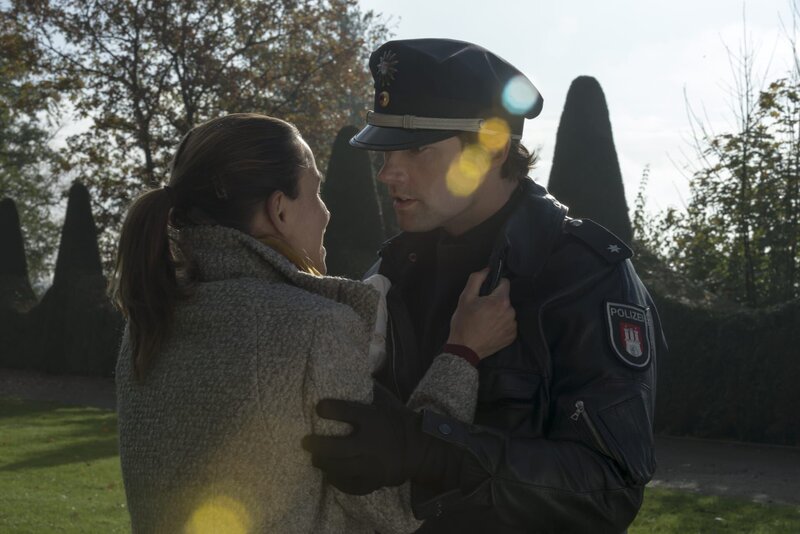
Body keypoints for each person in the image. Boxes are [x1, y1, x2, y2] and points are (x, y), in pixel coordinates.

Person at [302, 39, 668, 533]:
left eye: (416, 148)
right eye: (387, 150)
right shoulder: (394, 268)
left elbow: (611, 487)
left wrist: (434, 451)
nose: (387, 172)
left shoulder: (583, 274)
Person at [111, 112, 517, 533]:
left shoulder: (147, 324)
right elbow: (399, 504)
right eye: (315, 193)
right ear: (280, 210)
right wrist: (462, 353)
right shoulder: (314, 329)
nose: (326, 214)